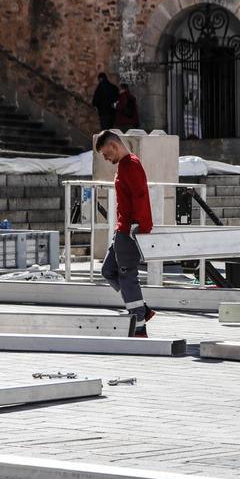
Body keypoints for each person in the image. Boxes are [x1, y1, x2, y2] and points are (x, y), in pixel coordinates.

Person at [95, 130, 155, 337]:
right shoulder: (124, 165)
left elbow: (141, 197)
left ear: (114, 146)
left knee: (128, 276)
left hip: (129, 230)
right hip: (122, 229)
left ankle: (139, 325)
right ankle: (142, 309)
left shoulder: (131, 165)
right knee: (108, 271)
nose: (105, 158)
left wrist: (141, 228)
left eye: (106, 154)